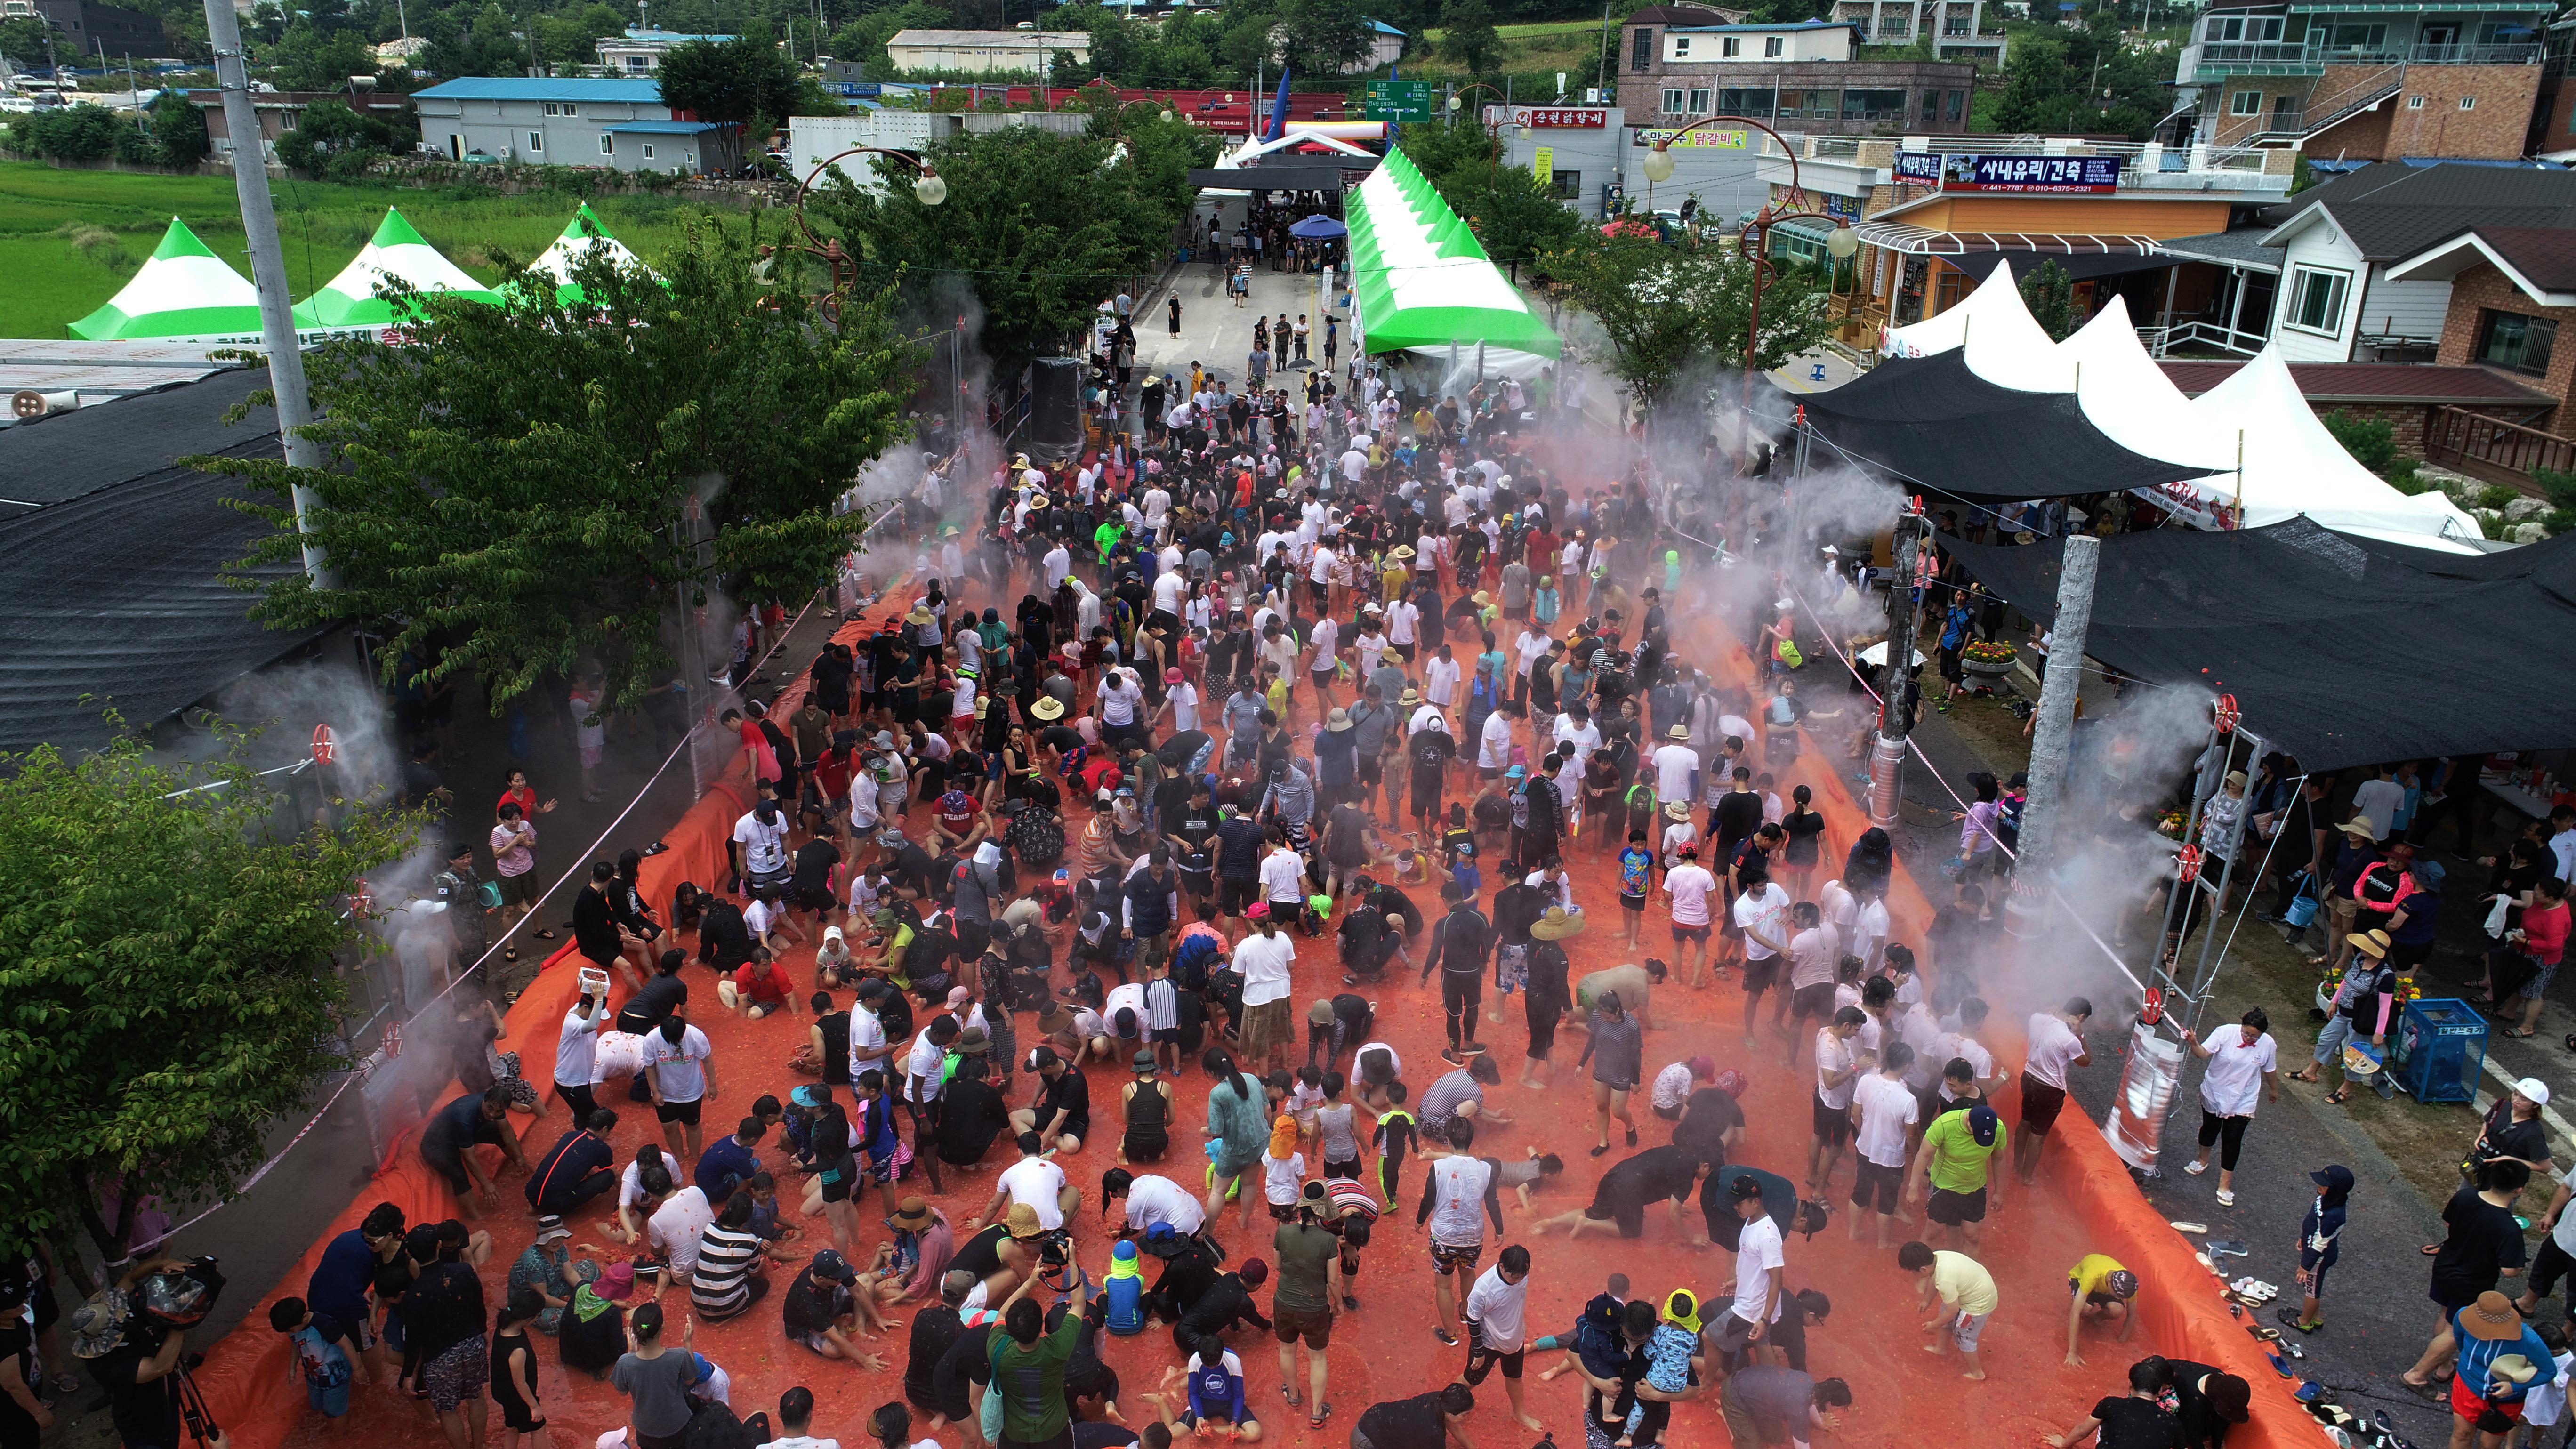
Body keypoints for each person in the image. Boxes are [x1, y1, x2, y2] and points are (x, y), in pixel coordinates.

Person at [2405, 1161, 2537, 1394]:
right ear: (2519, 1190)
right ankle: (2416, 1375)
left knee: (2446, 1315)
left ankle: (2443, 1366)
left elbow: (2449, 1222)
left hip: (2446, 1265)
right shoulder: (2508, 1227)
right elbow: (2509, 1270)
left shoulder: (2465, 1197)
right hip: (2472, 1281)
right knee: (2456, 1332)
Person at [986, 1253, 1094, 1449]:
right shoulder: (1058, 1348)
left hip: (1014, 1434)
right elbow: (1079, 1304)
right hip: (1055, 1432)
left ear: (1009, 1329)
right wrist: (1072, 1263)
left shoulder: (997, 1349)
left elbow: (1002, 1313)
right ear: (1042, 1326)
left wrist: (1029, 1283)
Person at [1417, 1120, 1504, 1347]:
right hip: (1473, 1237)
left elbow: (1429, 1200)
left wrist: (1419, 1222)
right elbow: (1492, 1201)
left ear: (1448, 1141)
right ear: (1471, 1140)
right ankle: (1466, 1314)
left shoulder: (1438, 1167)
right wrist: (1500, 1229)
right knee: (1468, 1273)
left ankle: (1450, 1334)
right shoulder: (1485, 1168)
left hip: (1444, 1238)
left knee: (1444, 1285)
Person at [2180, 1008, 2278, 1207]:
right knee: (2210, 1129)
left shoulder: (2268, 1044)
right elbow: (2203, 1054)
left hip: (2244, 1098)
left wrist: (2274, 1090)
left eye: (2254, 1036)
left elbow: (2270, 1069)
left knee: (2233, 1139)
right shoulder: (2224, 1032)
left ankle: (2225, 1185)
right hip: (2216, 1092)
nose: (2249, 1038)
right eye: (2246, 1033)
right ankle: (2202, 1160)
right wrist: (2194, 1043)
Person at [1272, 1188, 1341, 1431]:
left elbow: (1278, 1266)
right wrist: (1339, 1304)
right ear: (1322, 1211)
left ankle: (1293, 1395)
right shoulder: (1328, 1241)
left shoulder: (1282, 1231)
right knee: (1317, 1357)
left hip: (1284, 1302)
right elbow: (1333, 1280)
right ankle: (1317, 1412)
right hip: (1314, 1307)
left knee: (1287, 1350)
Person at [1907, 1101, 2004, 1255]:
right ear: (1968, 1122)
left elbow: (1998, 1159)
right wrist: (1913, 1188)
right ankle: (1922, 1269)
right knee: (1934, 1229)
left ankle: (1966, 1274)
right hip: (1944, 1186)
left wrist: (1999, 1192)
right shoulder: (1945, 1125)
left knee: (1972, 1235)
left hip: (1975, 1187)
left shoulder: (1998, 1128)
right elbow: (1924, 1154)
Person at [2016, 998, 2093, 1184]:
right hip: (2049, 1089)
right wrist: (2081, 1036)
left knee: (2025, 1121)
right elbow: (2085, 1061)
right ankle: (2026, 1177)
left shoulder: (2036, 1018)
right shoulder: (2069, 1038)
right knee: (2038, 1133)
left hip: (2028, 1077)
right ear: (2081, 1017)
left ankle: (2017, 1165)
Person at [422, 1085, 526, 1219]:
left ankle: (521, 1167)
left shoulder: (497, 1104)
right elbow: (469, 1158)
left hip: (466, 1133)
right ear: (484, 1100)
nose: (492, 1114)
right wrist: (487, 1185)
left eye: (499, 1112)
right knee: (458, 1174)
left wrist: (520, 1157)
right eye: (490, 1108)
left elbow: (506, 1129)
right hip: (437, 1145)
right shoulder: (463, 1118)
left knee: (496, 1131)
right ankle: (477, 1218)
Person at [269, 1295, 369, 1431]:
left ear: (304, 1318)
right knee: (317, 1404)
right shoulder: (294, 1327)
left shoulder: (324, 1325)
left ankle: (342, 1433)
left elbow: (346, 1343)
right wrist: (292, 1368)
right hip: (314, 1376)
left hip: (335, 1376)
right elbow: (295, 1344)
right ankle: (330, 1422)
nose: (289, 1333)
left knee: (334, 1410)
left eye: (290, 1330)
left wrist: (358, 1368)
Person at [1898, 1240, 1994, 1380]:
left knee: (1964, 1335)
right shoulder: (1936, 1257)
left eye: (1913, 1272)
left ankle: (1977, 1373)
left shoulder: (1945, 1280)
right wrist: (1927, 1301)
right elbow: (1933, 1280)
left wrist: (1934, 1325)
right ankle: (1941, 1348)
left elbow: (1952, 1310)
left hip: (1978, 1303)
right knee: (1945, 1312)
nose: (1914, 1276)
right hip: (1970, 1291)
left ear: (1923, 1270)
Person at [612, 1303, 699, 1449]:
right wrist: (688, 1342)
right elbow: (691, 1380)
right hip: (677, 1425)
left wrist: (630, 1353)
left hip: (646, 1428)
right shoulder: (679, 1356)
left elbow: (622, 1392)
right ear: (662, 1327)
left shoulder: (625, 1362)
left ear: (634, 1331)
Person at [2041, 1358, 2180, 1449]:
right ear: (2161, 1389)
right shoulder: (2173, 1422)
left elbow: (2082, 1432)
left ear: (2130, 1385)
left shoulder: (2111, 1405)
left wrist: (2064, 1443)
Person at [1578, 990, 1644, 1158]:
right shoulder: (1598, 1016)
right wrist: (1581, 1063)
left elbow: (1636, 1055)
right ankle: (1603, 1142)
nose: (1605, 1019)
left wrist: (1636, 1080)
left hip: (1622, 1074)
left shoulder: (1632, 1026)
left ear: (1617, 1011)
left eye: (1608, 1016)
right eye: (1602, 1015)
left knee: (1618, 1111)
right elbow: (1593, 1039)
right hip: (1601, 1069)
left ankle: (1629, 1125)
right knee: (1601, 1106)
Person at [644, 1013, 719, 1160]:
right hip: (665, 1093)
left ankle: (695, 1157)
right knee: (669, 1128)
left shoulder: (696, 1036)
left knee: (693, 1126)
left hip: (691, 1091)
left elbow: (708, 1060)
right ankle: (680, 1158)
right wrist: (655, 1092)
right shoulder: (651, 1040)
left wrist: (712, 1085)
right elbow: (649, 1066)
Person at [1719, 1368, 1849, 1449]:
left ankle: (1743, 1418)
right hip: (1733, 1395)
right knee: (1753, 1447)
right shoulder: (1799, 1410)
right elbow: (1802, 1446)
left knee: (1777, 1437)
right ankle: (1728, 1417)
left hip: (1746, 1383)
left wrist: (1820, 1423)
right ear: (1828, 1403)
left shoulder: (1809, 1382)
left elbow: (1811, 1404)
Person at [2291, 1164, 2352, 1334]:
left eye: (2324, 1185)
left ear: (2335, 1191)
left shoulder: (2335, 1216)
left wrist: (2306, 1266)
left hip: (2318, 1258)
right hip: (2312, 1250)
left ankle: (2304, 1322)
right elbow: (2313, 1224)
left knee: (2311, 1290)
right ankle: (2315, 1318)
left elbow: (2321, 1243)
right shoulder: (2324, 1200)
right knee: (2313, 1288)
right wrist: (2304, 1239)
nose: (2319, 1186)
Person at [488, 1286, 549, 1449]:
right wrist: (534, 1406)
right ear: (530, 1318)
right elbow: (520, 1383)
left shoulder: (503, 1326)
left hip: (504, 1392)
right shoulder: (518, 1350)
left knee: (512, 1427)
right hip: (518, 1398)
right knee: (539, 1427)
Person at [2064, 1255, 2141, 1367]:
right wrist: (2072, 1352)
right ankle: (2088, 1310)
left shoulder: (2129, 1285)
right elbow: (2074, 1313)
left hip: (2104, 1288)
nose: (2121, 1298)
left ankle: (2097, 1317)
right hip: (2080, 1279)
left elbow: (2132, 1314)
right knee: (2085, 1309)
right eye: (2118, 1295)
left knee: (2118, 1310)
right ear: (2110, 1281)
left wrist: (2121, 1342)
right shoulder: (2092, 1276)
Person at [1352, 1383, 1476, 1449]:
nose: (1466, 1418)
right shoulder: (1433, 1432)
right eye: (1464, 1415)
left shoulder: (1440, 1398)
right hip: (1366, 1441)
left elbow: (1454, 1425)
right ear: (1450, 1413)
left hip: (1374, 1417)